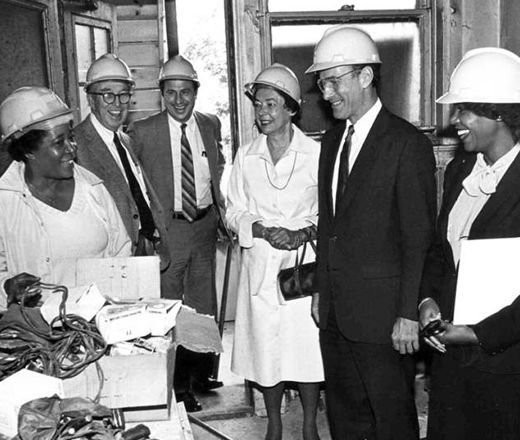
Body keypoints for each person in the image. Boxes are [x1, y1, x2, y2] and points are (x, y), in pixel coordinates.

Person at [305, 26, 437, 439]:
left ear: (365, 77)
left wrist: (406, 313)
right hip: (337, 315)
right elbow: (330, 225)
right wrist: (319, 290)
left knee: (392, 420)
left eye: (334, 81)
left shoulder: (406, 143)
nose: (326, 93)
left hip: (385, 319)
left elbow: (419, 239)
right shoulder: (331, 141)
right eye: (322, 83)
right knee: (345, 419)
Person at [419, 47, 520, 440]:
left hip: (506, 363)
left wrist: (478, 334)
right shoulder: (460, 168)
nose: (456, 120)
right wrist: (427, 300)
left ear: (499, 114)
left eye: (466, 110)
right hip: (451, 357)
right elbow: (441, 251)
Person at [226, 64, 323, 440]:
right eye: (258, 105)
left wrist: (302, 234)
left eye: (271, 105)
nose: (262, 113)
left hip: (303, 263)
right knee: (266, 348)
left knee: (306, 347)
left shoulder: (315, 154)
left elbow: (330, 211)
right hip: (263, 263)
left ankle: (311, 426)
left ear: (291, 109)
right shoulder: (246, 155)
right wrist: (263, 229)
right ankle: (275, 425)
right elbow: (233, 209)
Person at [127, 55, 228, 412]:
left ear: (196, 92)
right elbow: (131, 185)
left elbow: (216, 172)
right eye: (171, 93)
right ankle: (178, 385)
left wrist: (223, 215)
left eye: (186, 92)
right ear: (161, 95)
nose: (179, 100)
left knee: (202, 309)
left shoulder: (211, 124)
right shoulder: (142, 132)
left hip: (203, 226)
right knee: (171, 310)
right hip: (168, 231)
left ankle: (201, 374)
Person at [0, 86, 131, 311]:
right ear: (29, 151)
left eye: (71, 137)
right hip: (36, 333)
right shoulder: (5, 201)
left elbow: (122, 251)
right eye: (58, 142)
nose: (72, 148)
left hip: (98, 325)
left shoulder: (93, 189)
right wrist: (7, 287)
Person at [73, 53, 170, 289]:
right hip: (107, 262)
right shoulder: (75, 145)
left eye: (123, 94)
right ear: (91, 98)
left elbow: (138, 194)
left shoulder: (125, 139)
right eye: (107, 95)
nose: (117, 104)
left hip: (141, 252)